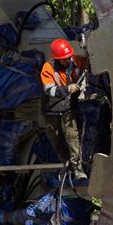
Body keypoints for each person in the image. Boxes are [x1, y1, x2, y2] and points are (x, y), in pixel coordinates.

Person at [41, 38, 88, 180]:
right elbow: (49, 90)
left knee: (72, 135)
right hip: (52, 108)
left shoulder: (76, 61)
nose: (68, 60)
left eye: (69, 57)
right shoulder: (48, 68)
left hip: (68, 107)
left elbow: (88, 62)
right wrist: (68, 88)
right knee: (55, 137)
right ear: (57, 59)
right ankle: (66, 163)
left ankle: (77, 168)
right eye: (65, 59)